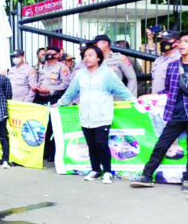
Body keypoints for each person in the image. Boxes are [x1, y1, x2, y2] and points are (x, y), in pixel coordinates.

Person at [57, 46, 135, 184]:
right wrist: (60, 103)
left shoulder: (107, 74)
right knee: (91, 145)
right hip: (85, 117)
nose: (87, 58)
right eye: (85, 56)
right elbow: (71, 92)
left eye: (91, 55)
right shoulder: (80, 74)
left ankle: (107, 171)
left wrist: (135, 101)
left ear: (98, 57)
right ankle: (95, 170)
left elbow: (121, 90)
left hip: (102, 116)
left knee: (101, 144)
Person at [131, 31, 188, 193]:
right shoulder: (173, 66)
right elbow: (168, 91)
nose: (181, 44)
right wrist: (151, 96)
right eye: (180, 41)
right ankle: (146, 176)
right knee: (161, 144)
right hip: (175, 113)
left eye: (186, 41)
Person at [34, 47, 70, 162]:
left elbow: (65, 84)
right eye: (47, 53)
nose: (49, 55)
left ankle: (53, 153)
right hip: (41, 98)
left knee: (53, 125)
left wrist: (50, 90)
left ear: (58, 55)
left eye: (52, 53)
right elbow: (40, 81)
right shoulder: (43, 67)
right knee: (44, 125)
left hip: (54, 98)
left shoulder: (62, 67)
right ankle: (45, 151)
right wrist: (38, 88)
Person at [147, 29, 181, 95]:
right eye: (162, 40)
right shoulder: (158, 60)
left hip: (170, 100)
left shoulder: (179, 59)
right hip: (156, 99)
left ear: (176, 42)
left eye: (167, 40)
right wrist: (150, 39)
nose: (163, 42)